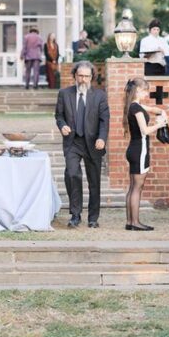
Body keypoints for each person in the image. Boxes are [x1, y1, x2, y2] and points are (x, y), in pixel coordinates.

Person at [54, 61, 110, 228]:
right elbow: (59, 115)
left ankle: (93, 218)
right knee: (72, 175)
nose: (83, 79)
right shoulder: (64, 94)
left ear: (91, 77)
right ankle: (75, 214)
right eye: (80, 76)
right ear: (75, 76)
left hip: (93, 144)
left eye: (86, 76)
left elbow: (104, 120)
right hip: (73, 142)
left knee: (94, 182)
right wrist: (62, 125)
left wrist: (102, 138)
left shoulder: (100, 96)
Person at [124, 77, 169, 231]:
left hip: (134, 149)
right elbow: (145, 130)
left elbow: (151, 109)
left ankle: (130, 222)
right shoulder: (136, 108)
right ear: (137, 90)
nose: (146, 93)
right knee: (137, 187)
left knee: (132, 187)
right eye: (144, 90)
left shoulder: (134, 106)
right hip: (140, 150)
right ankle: (135, 222)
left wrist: (161, 111)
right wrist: (159, 124)